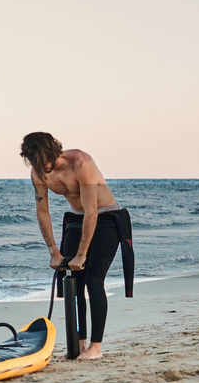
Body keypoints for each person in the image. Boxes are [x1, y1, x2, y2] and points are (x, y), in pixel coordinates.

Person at [20, 132, 133, 360]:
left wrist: (81, 254)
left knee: (93, 279)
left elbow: (92, 211)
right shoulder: (39, 173)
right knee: (73, 281)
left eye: (43, 162)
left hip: (106, 217)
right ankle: (79, 345)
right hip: (75, 218)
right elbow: (43, 211)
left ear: (53, 152)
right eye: (35, 163)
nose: (41, 168)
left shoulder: (81, 162)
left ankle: (96, 347)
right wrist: (53, 251)